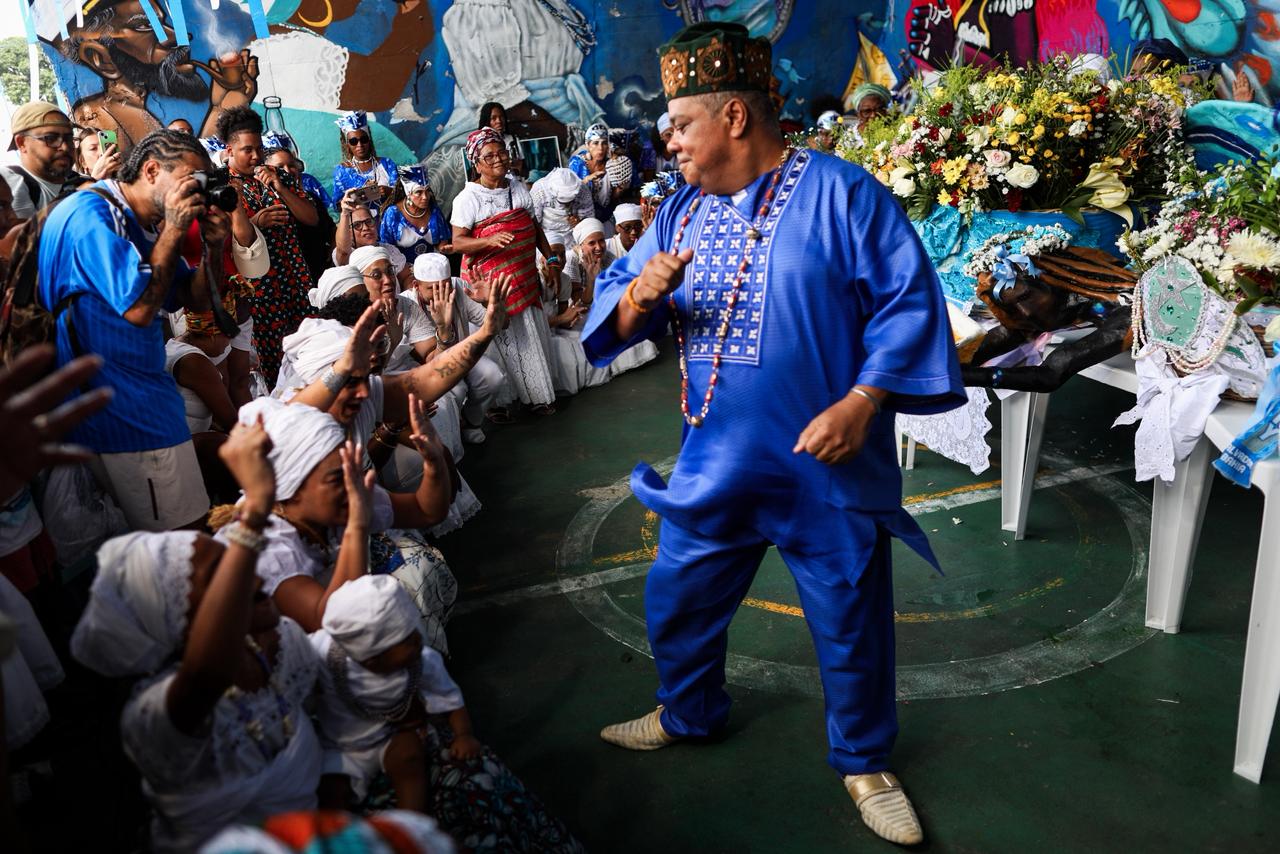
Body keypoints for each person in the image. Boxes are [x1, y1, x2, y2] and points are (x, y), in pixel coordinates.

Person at [582, 23, 965, 847]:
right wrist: (642, 295)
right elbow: (612, 315)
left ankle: (864, 761)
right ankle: (688, 714)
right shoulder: (678, 211)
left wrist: (862, 403)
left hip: (825, 471)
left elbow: (907, 304)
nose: (669, 140)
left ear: (735, 119)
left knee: (851, 621)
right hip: (714, 466)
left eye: (680, 123)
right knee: (675, 601)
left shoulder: (842, 193)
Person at [70, 420, 324, 852]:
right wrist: (257, 505)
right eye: (218, 576)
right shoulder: (154, 716)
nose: (243, 573)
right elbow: (206, 674)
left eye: (232, 562)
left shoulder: (277, 646)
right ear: (172, 622)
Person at [38, 129, 229, 532]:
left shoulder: (140, 222)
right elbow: (141, 309)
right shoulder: (91, 216)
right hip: (128, 417)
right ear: (152, 169)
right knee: (184, 545)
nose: (197, 193)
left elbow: (190, 300)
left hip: (140, 402)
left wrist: (212, 248)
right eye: (191, 180)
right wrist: (176, 229)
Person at [310, 576, 586, 853]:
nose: (418, 642)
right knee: (332, 787)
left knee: (409, 756)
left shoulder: (422, 662)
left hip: (390, 739)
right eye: (406, 641)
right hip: (341, 745)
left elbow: (450, 699)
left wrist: (463, 734)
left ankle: (412, 824)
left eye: (415, 632)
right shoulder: (324, 655)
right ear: (371, 658)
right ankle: (339, 833)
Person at [451, 127, 560, 417]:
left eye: (502, 152)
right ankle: (501, 404)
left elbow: (534, 227)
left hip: (522, 277)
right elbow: (459, 242)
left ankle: (537, 397)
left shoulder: (518, 187)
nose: (498, 159)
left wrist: (550, 260)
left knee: (528, 334)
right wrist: (488, 240)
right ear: (476, 162)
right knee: (501, 338)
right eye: (490, 156)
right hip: (491, 283)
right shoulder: (468, 199)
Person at [217, 106, 318, 385]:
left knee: (310, 350)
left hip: (295, 279)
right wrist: (255, 222)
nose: (255, 156)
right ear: (229, 150)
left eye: (259, 148)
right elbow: (223, 237)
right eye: (247, 150)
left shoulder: (278, 176)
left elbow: (311, 218)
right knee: (274, 362)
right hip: (259, 289)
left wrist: (282, 189)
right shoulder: (222, 185)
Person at [402, 253, 506, 443]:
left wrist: (489, 303)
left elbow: (501, 325)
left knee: (493, 376)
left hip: (465, 355)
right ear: (416, 285)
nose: (441, 293)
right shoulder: (406, 303)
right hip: (431, 368)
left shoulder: (459, 287)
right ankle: (452, 433)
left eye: (445, 285)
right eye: (432, 288)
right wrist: (443, 327)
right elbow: (430, 361)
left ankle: (471, 421)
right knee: (455, 390)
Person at [263, 143, 337, 286]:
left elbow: (330, 228)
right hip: (289, 283)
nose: (287, 171)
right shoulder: (266, 205)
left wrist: (333, 249)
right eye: (279, 167)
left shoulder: (309, 198)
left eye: (291, 165)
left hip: (320, 276)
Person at [4, 102, 86, 220]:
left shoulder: (81, 181)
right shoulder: (12, 182)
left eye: (68, 139)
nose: (65, 147)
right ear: (21, 143)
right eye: (51, 138)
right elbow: (19, 236)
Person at [331, 111, 398, 219]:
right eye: (353, 141)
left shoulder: (387, 164)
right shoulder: (342, 171)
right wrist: (359, 195)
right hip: (362, 229)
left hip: (389, 223)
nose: (360, 145)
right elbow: (337, 206)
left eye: (364, 139)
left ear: (369, 140)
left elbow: (403, 195)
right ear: (347, 144)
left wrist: (388, 191)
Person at [380, 165, 452, 260]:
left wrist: (443, 249)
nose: (425, 197)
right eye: (419, 192)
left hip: (431, 266)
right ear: (408, 193)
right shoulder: (393, 213)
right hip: (404, 270)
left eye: (427, 191)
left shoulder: (433, 211)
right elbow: (387, 249)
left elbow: (442, 242)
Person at [531, 167, 594, 249]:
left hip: (574, 240)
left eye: (569, 201)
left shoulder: (583, 190)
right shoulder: (539, 190)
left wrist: (580, 223)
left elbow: (590, 219)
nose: (567, 205)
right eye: (563, 202)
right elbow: (534, 222)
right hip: (548, 240)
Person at [568, 123, 614, 220]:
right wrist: (587, 179)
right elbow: (569, 192)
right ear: (588, 145)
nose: (600, 148)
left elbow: (614, 198)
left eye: (604, 143)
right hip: (581, 216)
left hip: (606, 215)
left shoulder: (612, 164)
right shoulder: (577, 163)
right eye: (595, 143)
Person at [477, 101, 525, 176]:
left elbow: (520, 163)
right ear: (486, 121)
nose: (499, 121)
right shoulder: (480, 144)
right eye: (493, 118)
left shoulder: (512, 139)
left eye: (501, 117)